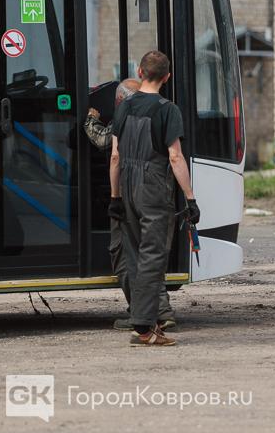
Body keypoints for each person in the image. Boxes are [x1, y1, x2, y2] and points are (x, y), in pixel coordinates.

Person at [110, 50, 199, 346]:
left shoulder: (124, 106)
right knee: (153, 255)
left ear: (139, 72)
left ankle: (146, 321)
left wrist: (115, 197)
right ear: (167, 77)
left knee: (134, 254)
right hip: (153, 187)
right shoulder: (167, 109)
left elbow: (115, 156)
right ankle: (144, 328)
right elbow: (175, 156)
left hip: (127, 184)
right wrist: (190, 198)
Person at [84, 78, 177, 332]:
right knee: (149, 254)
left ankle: (145, 313)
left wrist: (90, 119)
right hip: (154, 194)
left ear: (119, 100)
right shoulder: (160, 112)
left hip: (128, 194)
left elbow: (107, 146)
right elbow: (174, 156)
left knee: (125, 254)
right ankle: (161, 311)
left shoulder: (125, 115)